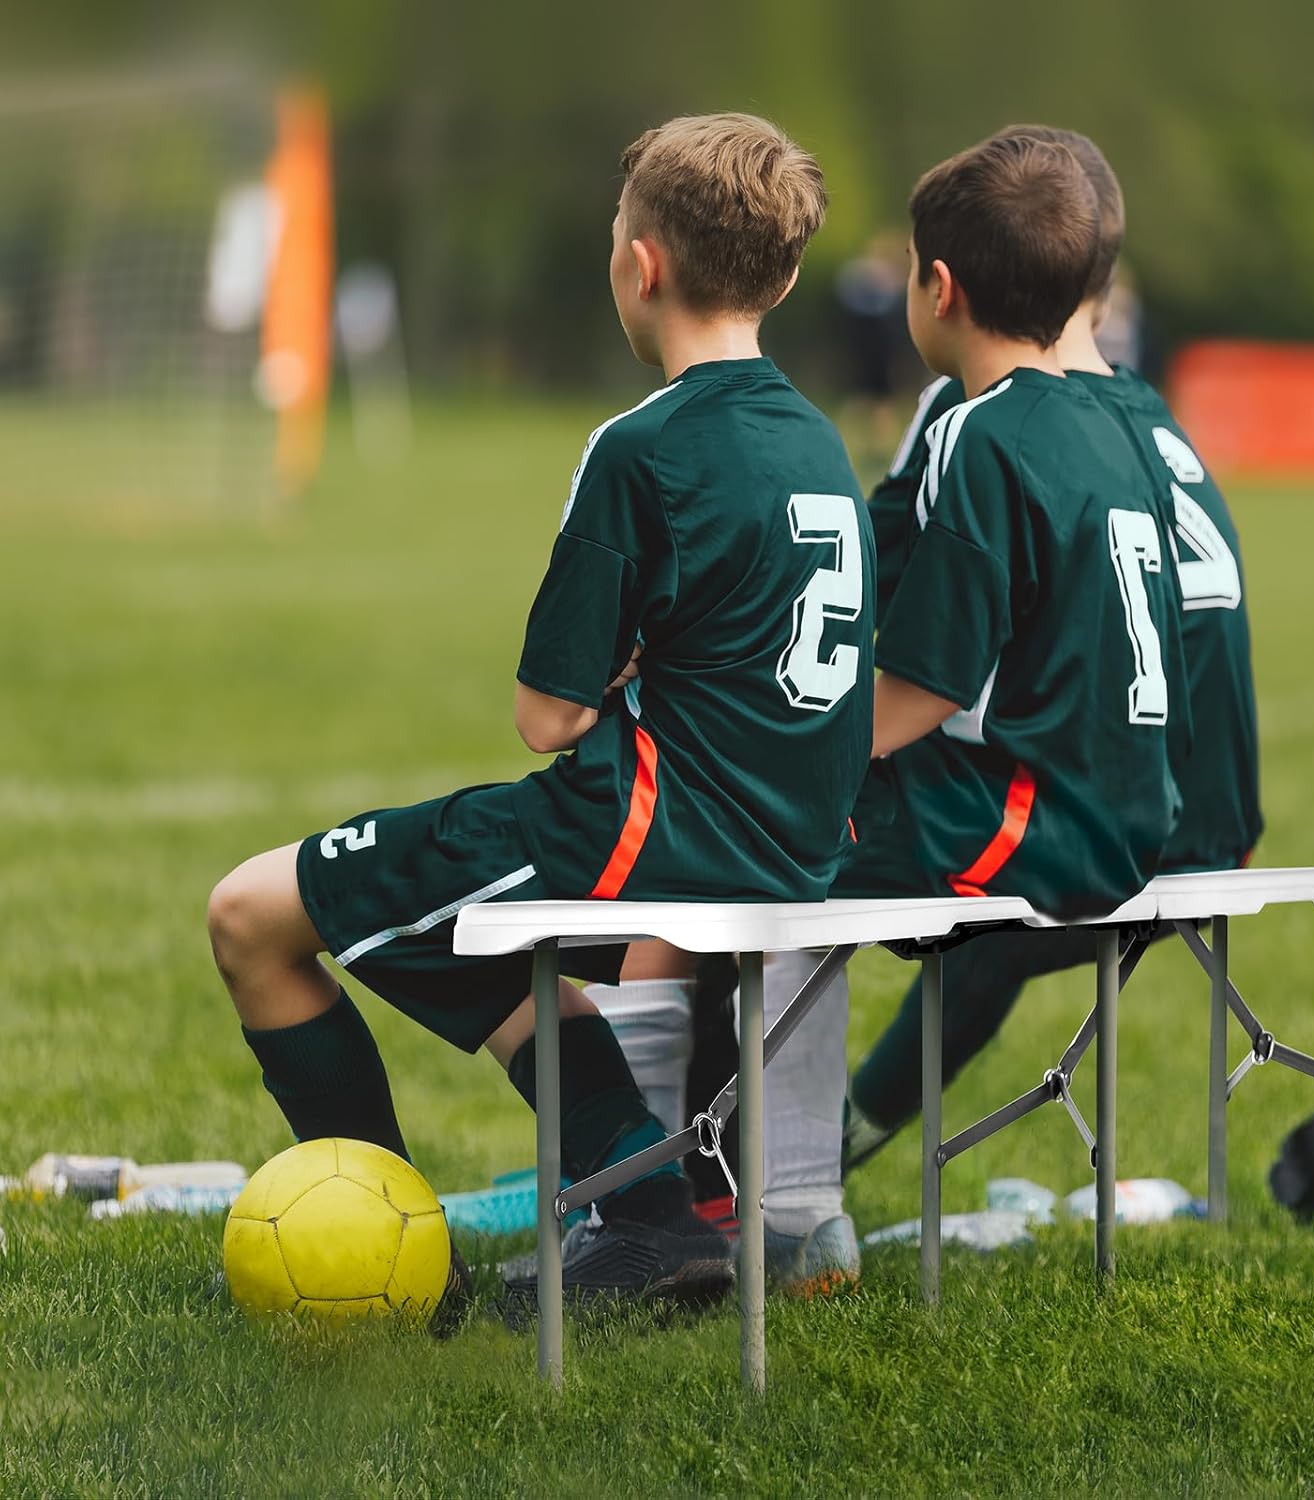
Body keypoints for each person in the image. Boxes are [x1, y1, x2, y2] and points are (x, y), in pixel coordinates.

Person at [205, 112, 875, 1323]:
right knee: (502, 953)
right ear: (781, 276)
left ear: (640, 265)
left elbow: (546, 715)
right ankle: (648, 1206)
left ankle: (409, 1267)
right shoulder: (821, 442)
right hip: (787, 840)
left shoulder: (642, 446)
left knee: (251, 916)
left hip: (647, 831)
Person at [844, 125, 1261, 1168]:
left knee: (753, 828)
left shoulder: (979, 418)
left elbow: (879, 596)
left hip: (1094, 817)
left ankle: (710, 1172)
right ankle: (780, 1155)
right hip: (1202, 810)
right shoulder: (1146, 422)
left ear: (943, 287)